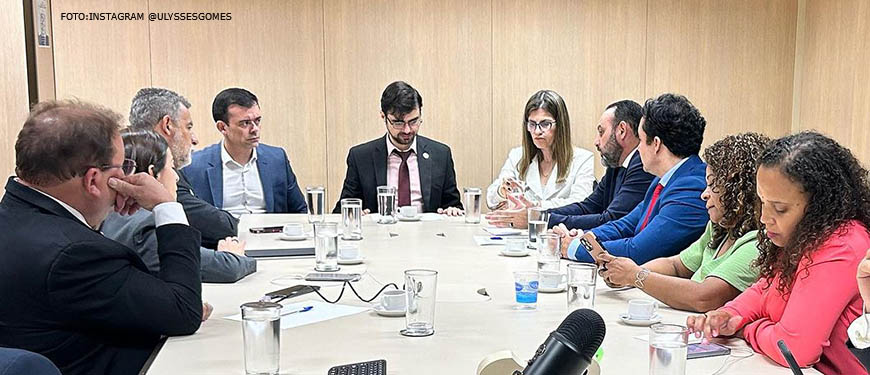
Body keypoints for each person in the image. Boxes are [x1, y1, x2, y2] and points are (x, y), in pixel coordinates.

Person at [0, 100, 206, 375]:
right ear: (93, 180)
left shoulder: (15, 218)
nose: (127, 175)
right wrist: (166, 206)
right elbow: (183, 311)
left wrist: (100, 211)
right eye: (123, 166)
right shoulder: (75, 253)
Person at [687, 131, 870, 374]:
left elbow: (793, 350)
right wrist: (730, 315)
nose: (764, 218)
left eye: (780, 209)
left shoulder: (843, 245)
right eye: (762, 202)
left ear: (819, 206)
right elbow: (767, 288)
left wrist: (746, 329)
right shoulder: (803, 234)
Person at [599, 133, 770, 312]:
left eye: (713, 185)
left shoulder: (757, 244)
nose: (704, 194)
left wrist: (635, 276)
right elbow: (677, 266)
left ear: (739, 190)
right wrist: (626, 274)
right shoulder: (720, 228)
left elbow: (704, 298)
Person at [555, 93, 709, 265]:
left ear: (656, 144)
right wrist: (584, 237)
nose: (638, 149)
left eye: (641, 141)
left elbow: (638, 250)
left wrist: (575, 248)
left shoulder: (692, 188)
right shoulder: (665, 180)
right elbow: (624, 226)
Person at [102, 130, 257, 283]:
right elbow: (225, 269)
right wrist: (233, 256)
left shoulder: (109, 216)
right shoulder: (145, 227)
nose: (176, 177)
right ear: (152, 174)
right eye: (172, 166)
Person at [486, 99, 654, 229]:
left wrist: (539, 218)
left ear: (622, 131)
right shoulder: (616, 166)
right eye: (532, 124)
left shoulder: (641, 166)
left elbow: (610, 218)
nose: (596, 141)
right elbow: (588, 207)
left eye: (601, 132)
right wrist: (538, 214)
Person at [127, 87, 238, 249]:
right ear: (167, 126)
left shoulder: (131, 158)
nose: (195, 139)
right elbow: (222, 227)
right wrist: (230, 257)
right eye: (188, 127)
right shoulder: (156, 173)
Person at [333, 81, 463, 215]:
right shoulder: (360, 157)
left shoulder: (441, 154)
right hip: (379, 233)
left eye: (413, 121)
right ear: (383, 116)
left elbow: (453, 204)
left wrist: (453, 210)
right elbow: (341, 210)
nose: (407, 130)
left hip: (427, 233)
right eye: (398, 123)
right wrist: (352, 212)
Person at [181, 87, 308, 216]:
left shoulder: (277, 158)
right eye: (245, 123)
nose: (255, 129)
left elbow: (299, 210)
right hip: (224, 235)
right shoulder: (195, 165)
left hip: (270, 234)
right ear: (223, 127)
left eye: (257, 121)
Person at [484, 90, 595, 213]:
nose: (537, 131)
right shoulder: (517, 156)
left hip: (560, 229)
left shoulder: (583, 159)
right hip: (519, 231)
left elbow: (579, 204)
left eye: (545, 124)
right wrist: (502, 190)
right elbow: (491, 200)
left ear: (561, 125)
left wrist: (534, 206)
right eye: (532, 124)